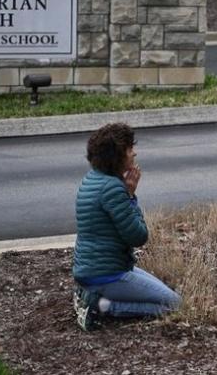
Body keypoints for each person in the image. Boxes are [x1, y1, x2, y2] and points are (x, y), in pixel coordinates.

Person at [72, 122, 180, 330]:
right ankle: (100, 306)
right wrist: (130, 195)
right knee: (175, 305)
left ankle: (89, 295)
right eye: (130, 149)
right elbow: (138, 236)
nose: (135, 154)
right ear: (117, 156)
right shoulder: (113, 188)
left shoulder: (93, 179)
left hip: (94, 269)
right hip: (106, 275)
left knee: (169, 292)